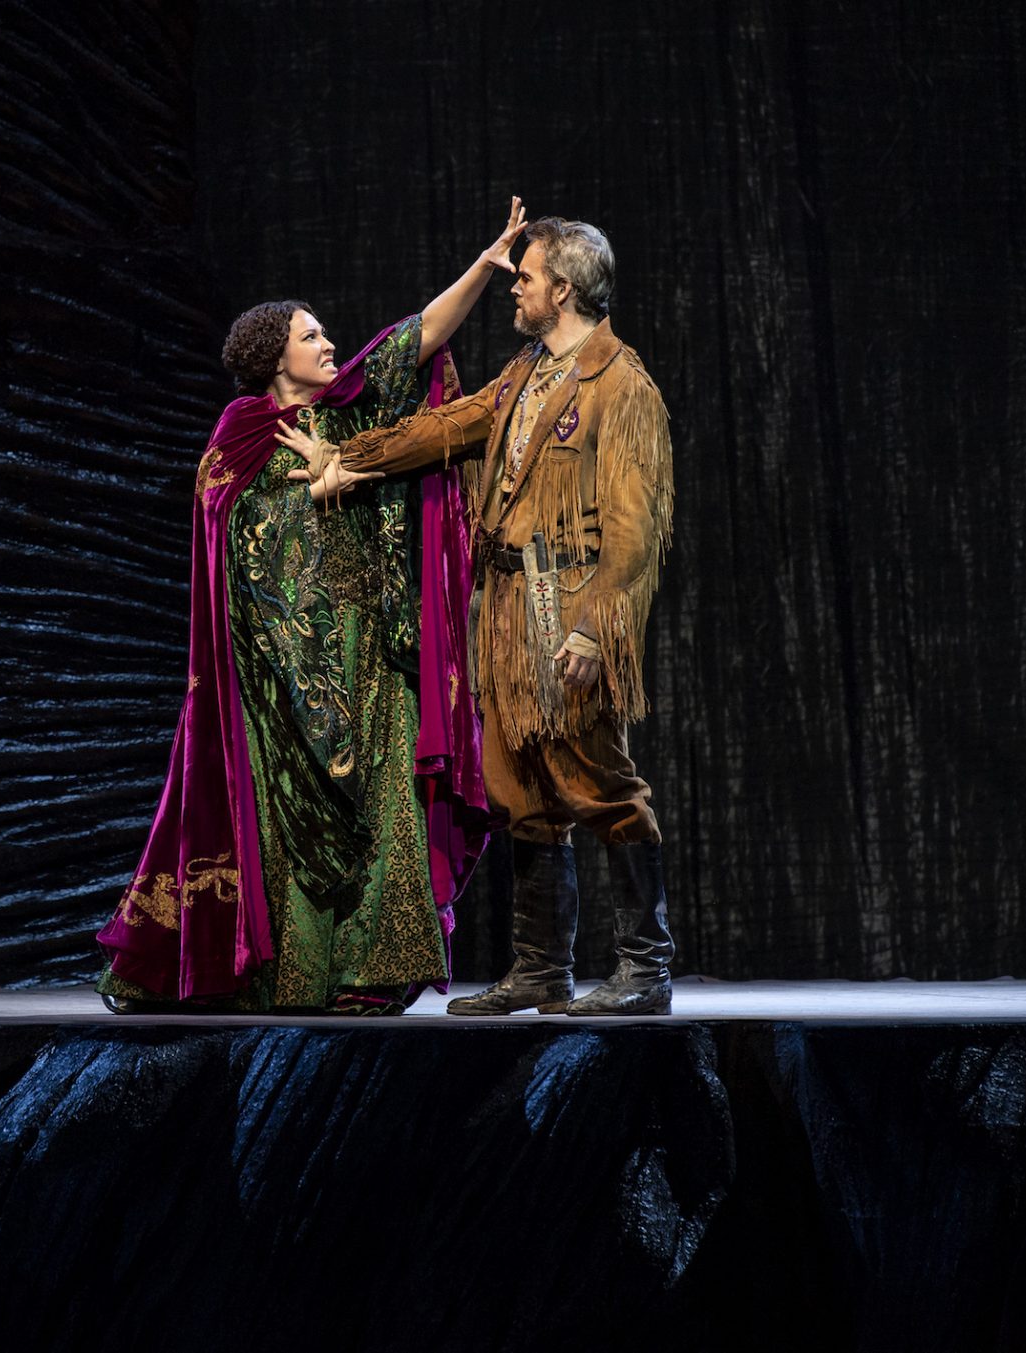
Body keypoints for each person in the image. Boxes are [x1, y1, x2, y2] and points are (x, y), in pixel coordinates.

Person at [93, 200, 526, 1014]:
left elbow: (416, 339)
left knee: (388, 806)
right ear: (271, 357)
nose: (329, 344)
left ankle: (379, 971)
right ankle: (293, 973)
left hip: (373, 647)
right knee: (289, 827)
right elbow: (227, 562)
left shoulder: (350, 410)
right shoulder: (237, 440)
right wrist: (278, 652)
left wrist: (483, 263)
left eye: (327, 335)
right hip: (280, 670)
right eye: (311, 335)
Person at [289, 217, 676, 1016]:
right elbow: (445, 428)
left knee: (597, 781)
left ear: (563, 288)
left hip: (565, 605)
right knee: (518, 788)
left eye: (527, 276)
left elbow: (635, 534)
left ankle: (647, 967)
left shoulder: (621, 385)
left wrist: (593, 627)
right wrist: (348, 459)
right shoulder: (525, 374)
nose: (518, 286)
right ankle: (542, 969)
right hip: (503, 608)